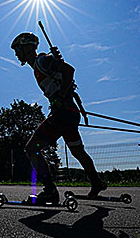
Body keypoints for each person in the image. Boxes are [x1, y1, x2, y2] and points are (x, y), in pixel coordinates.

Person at [11, 32, 107, 204]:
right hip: (68, 113)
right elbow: (63, 77)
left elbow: (69, 71)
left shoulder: (42, 61)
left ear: (27, 47)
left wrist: (60, 97)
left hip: (63, 113)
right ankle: (96, 182)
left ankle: (50, 191)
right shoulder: (37, 66)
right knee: (77, 151)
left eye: (18, 48)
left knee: (32, 148)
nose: (16, 53)